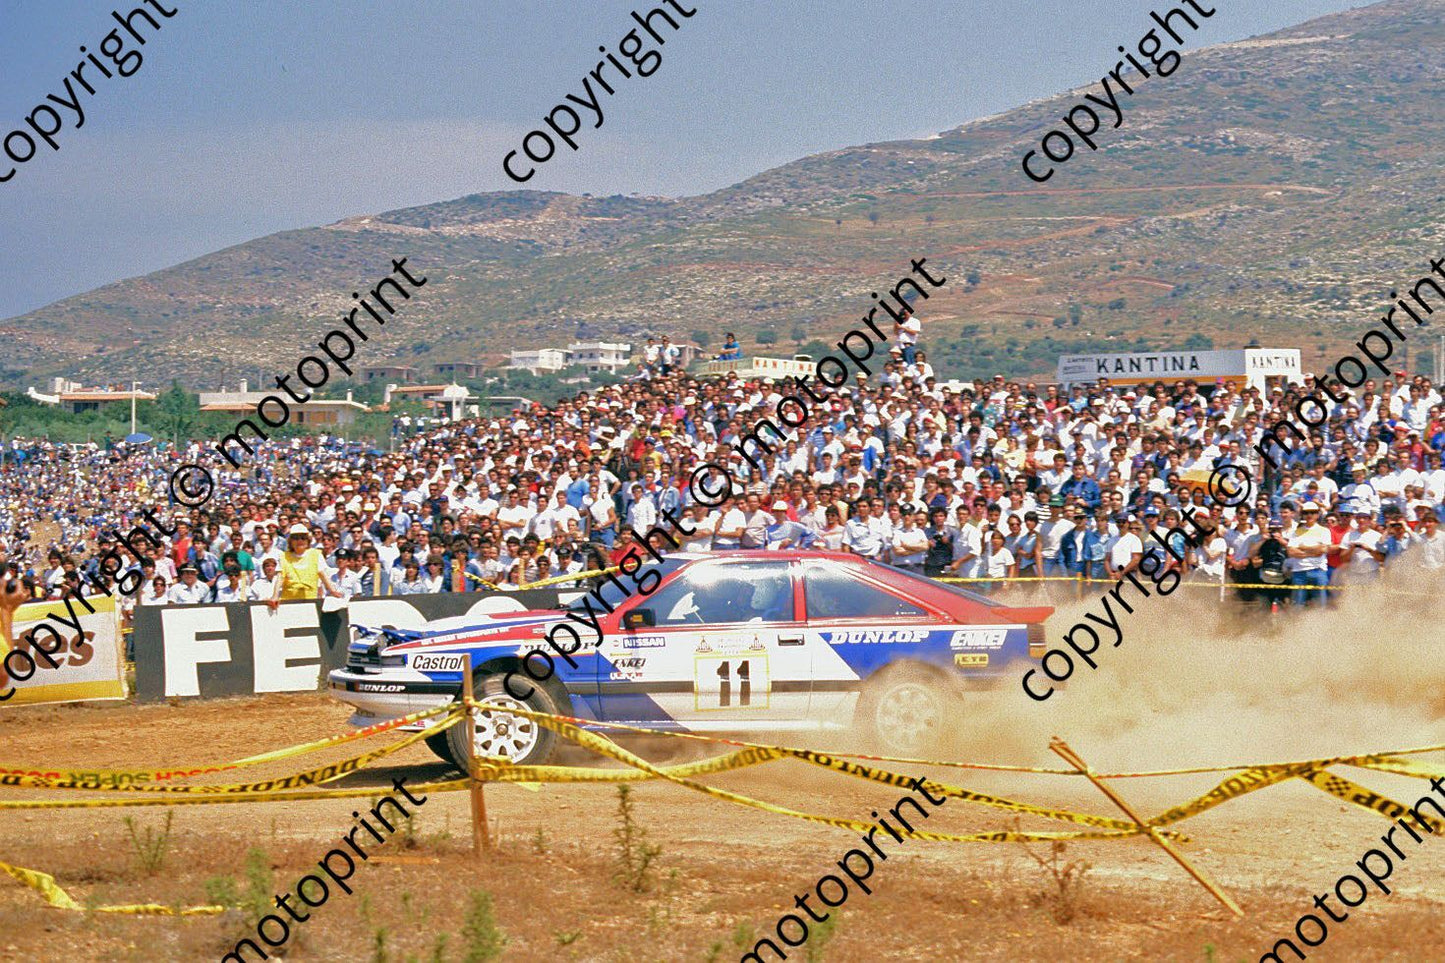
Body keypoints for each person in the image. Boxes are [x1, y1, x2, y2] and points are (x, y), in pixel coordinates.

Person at [268, 524, 341, 611]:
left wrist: (333, 591)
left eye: (303, 538)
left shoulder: (316, 554)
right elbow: (280, 578)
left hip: (310, 601)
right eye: (296, 538)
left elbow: (323, 575)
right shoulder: (284, 556)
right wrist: (275, 596)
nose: (300, 541)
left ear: (308, 540)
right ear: (290, 541)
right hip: (289, 602)